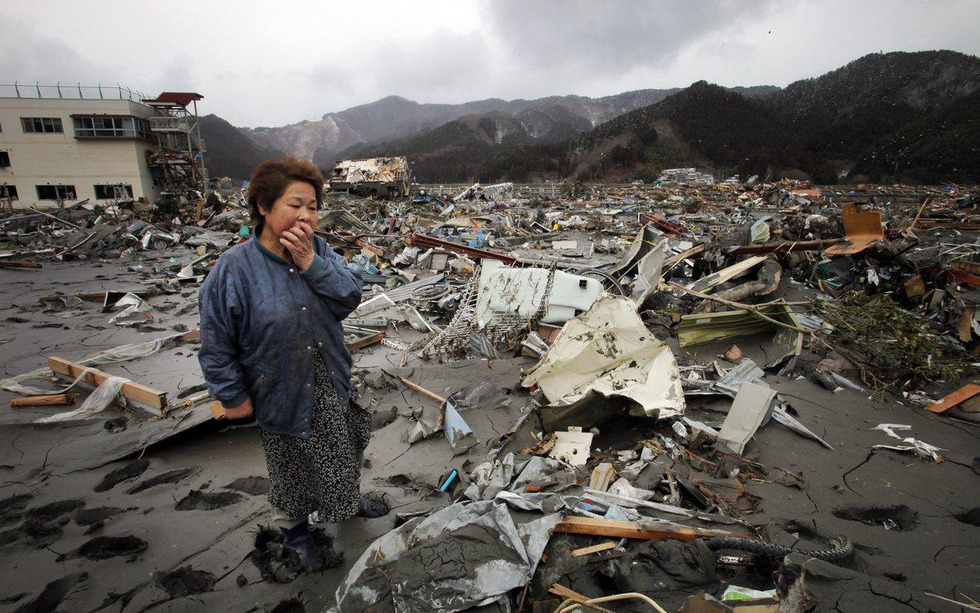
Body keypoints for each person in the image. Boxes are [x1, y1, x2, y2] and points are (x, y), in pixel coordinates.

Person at [198, 156, 374, 564]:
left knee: (343, 447)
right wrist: (230, 394)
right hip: (277, 387)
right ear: (263, 206)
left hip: (330, 377)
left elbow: (349, 297)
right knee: (290, 465)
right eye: (295, 205)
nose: (307, 216)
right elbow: (215, 341)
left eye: (313, 207)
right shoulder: (234, 269)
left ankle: (347, 502)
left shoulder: (321, 250)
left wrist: (311, 263)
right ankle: (295, 533)